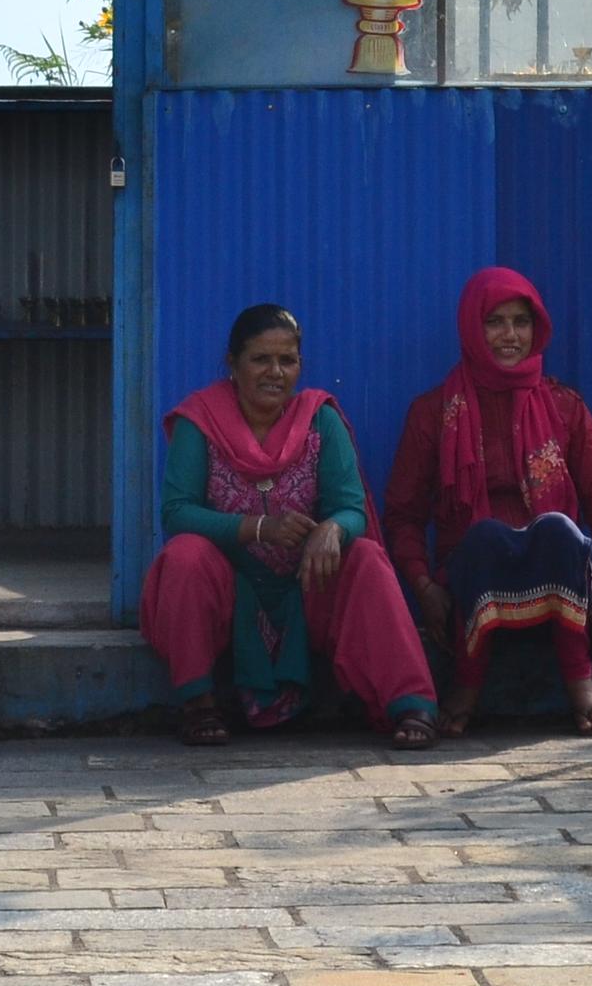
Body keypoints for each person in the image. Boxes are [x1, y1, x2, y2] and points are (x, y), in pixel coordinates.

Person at [141, 303, 440, 750]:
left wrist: (332, 530)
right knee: (184, 555)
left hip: (306, 584)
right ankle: (198, 704)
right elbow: (177, 512)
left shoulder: (320, 418)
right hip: (233, 588)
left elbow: (351, 507)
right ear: (233, 364)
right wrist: (258, 528)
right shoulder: (199, 421)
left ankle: (412, 702)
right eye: (261, 359)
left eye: (288, 360)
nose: (275, 372)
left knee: (367, 557)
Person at [384, 266, 592, 737]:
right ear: (472, 329)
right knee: (484, 535)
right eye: (495, 322)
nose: (510, 335)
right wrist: (423, 587)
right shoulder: (433, 412)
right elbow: (402, 515)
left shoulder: (564, 406)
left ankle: (579, 678)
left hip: (558, 581)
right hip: (473, 584)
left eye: (521, 322)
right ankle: (467, 683)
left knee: (559, 529)